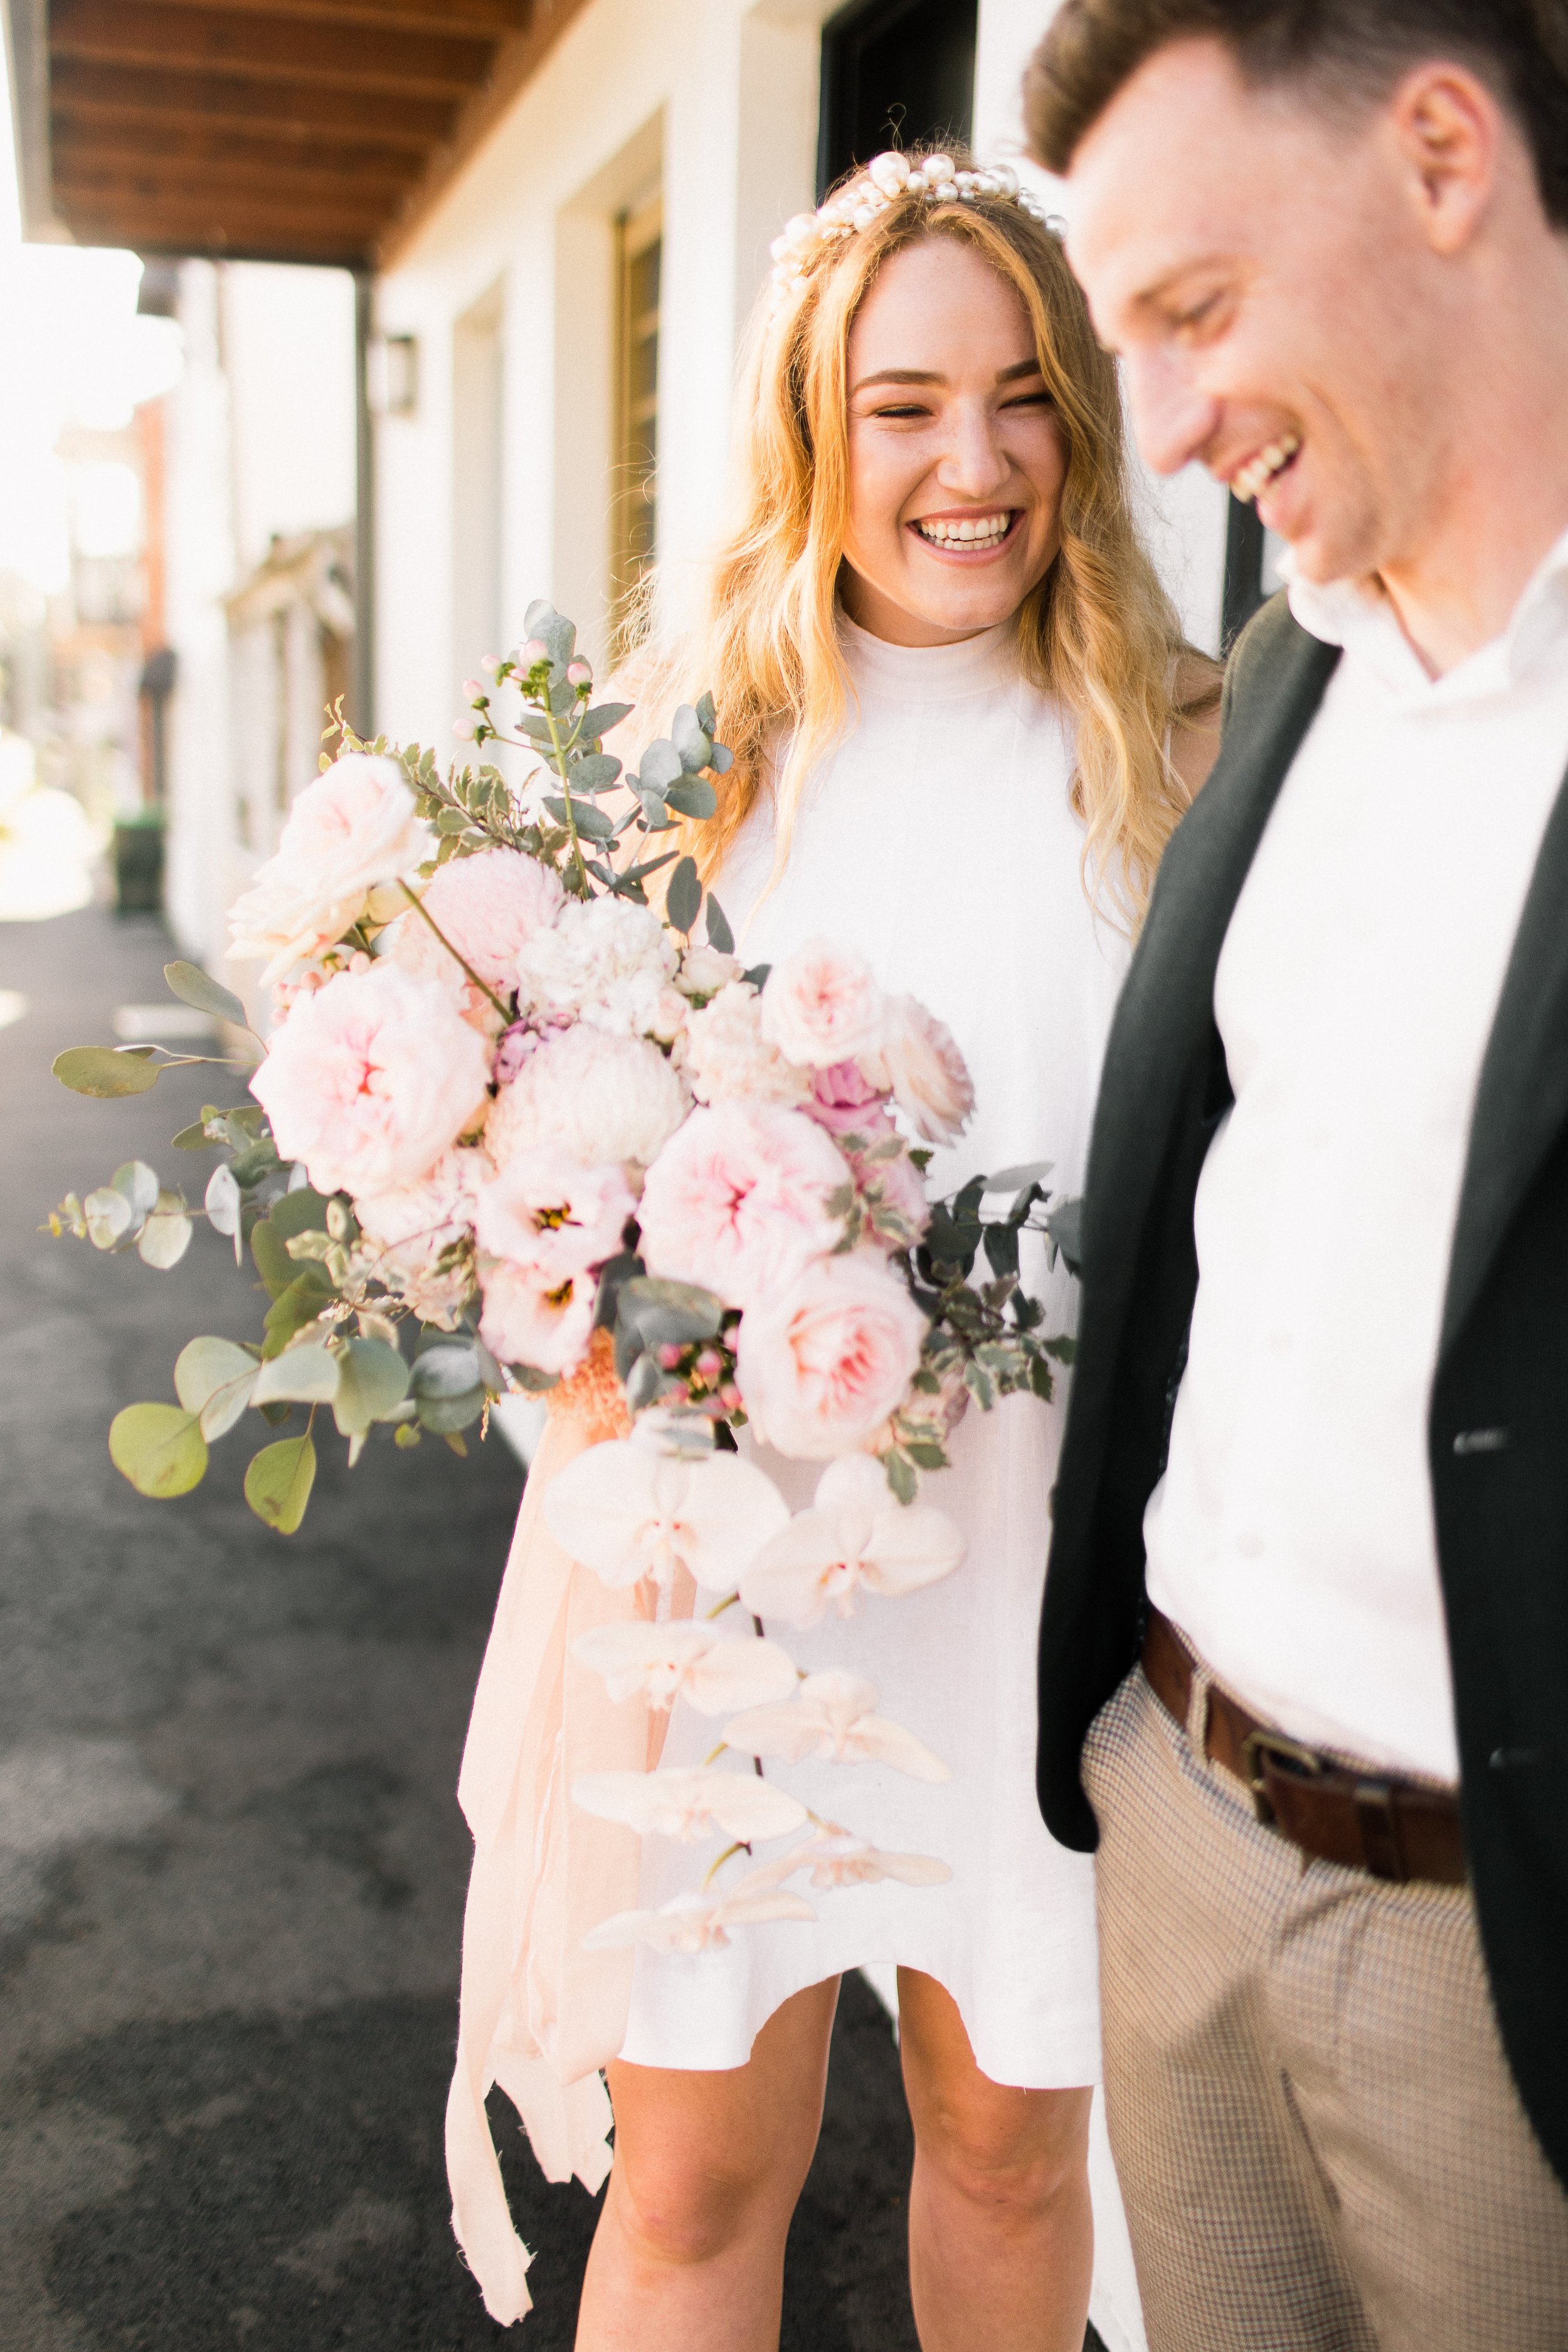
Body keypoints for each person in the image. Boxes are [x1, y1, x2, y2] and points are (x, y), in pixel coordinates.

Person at [447, 148, 1218, 2352]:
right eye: (901, 405)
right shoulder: (686, 769)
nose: (968, 465)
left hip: (1054, 1570)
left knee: (1003, 2143)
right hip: (731, 1570)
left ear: (1078, 411)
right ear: (813, 426)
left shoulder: (1178, 754)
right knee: (695, 2174)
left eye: (1020, 396)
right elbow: (545, 1191)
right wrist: (578, 1333)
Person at [1021, 6, 1568, 2349]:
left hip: (1497, 1956)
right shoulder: (1281, 688)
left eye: (1194, 310)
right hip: (1172, 1817)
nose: (1147, 432)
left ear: (1443, 156)